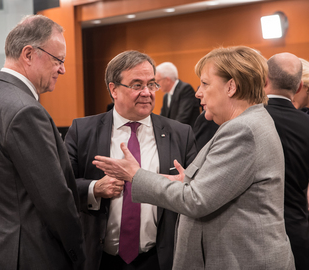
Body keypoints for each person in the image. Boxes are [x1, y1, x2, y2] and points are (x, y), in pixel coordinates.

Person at [93, 46, 295, 270]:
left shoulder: (242, 130)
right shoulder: (245, 123)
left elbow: (196, 200)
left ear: (231, 87)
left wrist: (135, 175)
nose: (198, 93)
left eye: (205, 84)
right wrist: (185, 182)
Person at [0, 15, 85, 269]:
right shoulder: (25, 110)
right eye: (58, 60)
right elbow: (56, 201)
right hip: (28, 256)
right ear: (29, 54)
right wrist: (79, 254)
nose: (62, 69)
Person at [64, 50, 197, 270]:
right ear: (113, 89)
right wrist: (95, 188)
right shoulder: (83, 131)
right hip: (100, 259)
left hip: (160, 258)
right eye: (137, 85)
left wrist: (182, 184)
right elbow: (62, 184)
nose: (147, 92)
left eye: (151, 84)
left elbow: (197, 192)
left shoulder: (180, 134)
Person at [264, 52, 309, 270]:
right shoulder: (306, 124)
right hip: (298, 228)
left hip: (259, 234)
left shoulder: (247, 120)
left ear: (264, 79)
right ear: (299, 87)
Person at [156, 62, 200, 126]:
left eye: (158, 81)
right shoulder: (166, 96)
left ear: (167, 80)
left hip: (187, 134)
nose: (157, 85)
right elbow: (162, 117)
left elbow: (183, 118)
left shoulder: (185, 89)